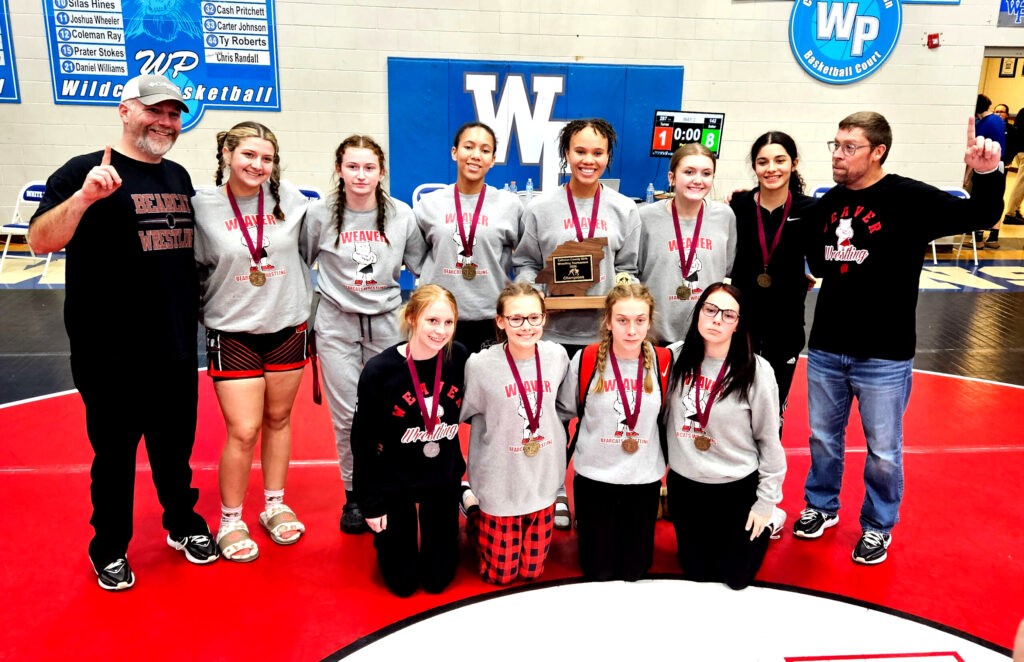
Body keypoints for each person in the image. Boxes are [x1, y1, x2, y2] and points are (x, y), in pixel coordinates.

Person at [27, 74, 218, 590]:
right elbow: (40, 240)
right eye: (155, 110)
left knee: (174, 451)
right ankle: (109, 546)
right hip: (109, 351)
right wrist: (84, 199)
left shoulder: (178, 176)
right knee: (114, 458)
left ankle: (182, 523)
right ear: (125, 110)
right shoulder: (82, 172)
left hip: (175, 347)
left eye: (175, 113)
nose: (166, 121)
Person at [794, 112, 1003, 564]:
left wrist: (985, 174)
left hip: (884, 355)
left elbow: (982, 214)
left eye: (850, 147)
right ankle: (822, 506)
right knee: (822, 439)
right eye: (835, 144)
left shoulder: (908, 198)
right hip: (828, 346)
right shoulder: (829, 204)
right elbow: (809, 247)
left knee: (884, 451)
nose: (837, 154)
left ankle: (877, 525)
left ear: (878, 152)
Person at [192, 121, 313, 562]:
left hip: (287, 327)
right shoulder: (201, 206)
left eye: (266, 158)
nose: (257, 165)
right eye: (248, 155)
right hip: (233, 331)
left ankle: (275, 505)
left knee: (278, 421)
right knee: (243, 431)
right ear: (226, 153)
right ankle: (230, 518)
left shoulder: (293, 202)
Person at [513, 118, 641, 529]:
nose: (589, 160)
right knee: (548, 418)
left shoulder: (624, 209)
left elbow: (629, 268)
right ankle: (553, 491)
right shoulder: (540, 208)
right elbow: (524, 263)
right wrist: (541, 293)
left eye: (597, 152)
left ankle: (597, 486)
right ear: (566, 154)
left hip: (602, 339)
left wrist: (618, 289)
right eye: (580, 151)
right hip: (551, 337)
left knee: (603, 416)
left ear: (608, 157)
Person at [307, 135, 428, 534]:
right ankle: (355, 496)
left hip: (387, 321)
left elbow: (421, 265)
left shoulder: (401, 214)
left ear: (381, 172)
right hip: (337, 323)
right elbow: (299, 260)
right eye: (352, 166)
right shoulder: (320, 213)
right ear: (339, 169)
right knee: (347, 417)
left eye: (369, 167)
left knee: (392, 413)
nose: (361, 175)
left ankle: (392, 485)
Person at [664, 283, 785, 590]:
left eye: (728, 314)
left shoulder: (757, 371)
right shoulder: (673, 359)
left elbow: (770, 442)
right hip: (687, 487)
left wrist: (765, 503)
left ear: (738, 324)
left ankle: (773, 519)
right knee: (697, 572)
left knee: (736, 579)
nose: (717, 319)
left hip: (736, 488)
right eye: (710, 310)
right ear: (698, 313)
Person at [351, 285, 469, 597]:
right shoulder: (380, 371)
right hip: (394, 482)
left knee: (436, 581)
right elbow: (361, 442)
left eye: (448, 323)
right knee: (402, 584)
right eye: (432, 320)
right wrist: (370, 504)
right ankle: (389, 536)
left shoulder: (459, 358)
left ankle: (457, 504)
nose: (440, 331)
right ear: (412, 318)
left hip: (442, 480)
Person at [459, 283, 571, 584]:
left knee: (531, 572)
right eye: (516, 318)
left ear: (544, 318)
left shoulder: (557, 356)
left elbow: (563, 407)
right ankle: (472, 511)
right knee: (501, 576)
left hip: (542, 476)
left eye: (534, 318)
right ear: (500, 321)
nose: (526, 326)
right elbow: (466, 413)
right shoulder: (479, 365)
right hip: (500, 479)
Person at [564, 284, 671, 581]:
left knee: (634, 571)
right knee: (598, 571)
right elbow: (564, 412)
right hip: (595, 479)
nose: (631, 329)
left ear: (649, 322)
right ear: (608, 322)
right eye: (622, 320)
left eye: (640, 320)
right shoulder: (586, 360)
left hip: (643, 480)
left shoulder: (664, 362)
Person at [414, 122, 524, 353]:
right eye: (468, 147)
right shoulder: (430, 204)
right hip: (438, 318)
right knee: (440, 387)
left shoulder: (509, 206)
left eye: (485, 150)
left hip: (491, 317)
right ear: (455, 152)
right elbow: (415, 259)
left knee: (487, 387)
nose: (476, 155)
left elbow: (526, 258)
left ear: (493, 160)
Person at [728, 131, 816, 416]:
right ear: (755, 166)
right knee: (736, 409)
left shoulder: (809, 209)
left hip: (786, 328)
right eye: (762, 162)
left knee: (773, 411)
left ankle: (770, 462)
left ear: (794, 163)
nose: (771, 168)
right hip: (742, 327)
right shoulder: (738, 206)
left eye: (780, 160)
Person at [638, 142, 736, 344]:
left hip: (705, 336)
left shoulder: (725, 216)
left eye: (706, 173)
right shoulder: (645, 217)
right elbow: (632, 273)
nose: (698, 180)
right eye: (689, 172)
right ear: (671, 178)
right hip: (654, 336)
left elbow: (728, 269)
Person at [972, 94, 1006, 248]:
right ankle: (993, 237)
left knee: (980, 201)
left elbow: (976, 150)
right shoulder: (999, 120)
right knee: (997, 200)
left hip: (986, 167)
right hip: (999, 165)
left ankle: (977, 239)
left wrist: (967, 174)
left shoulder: (981, 125)